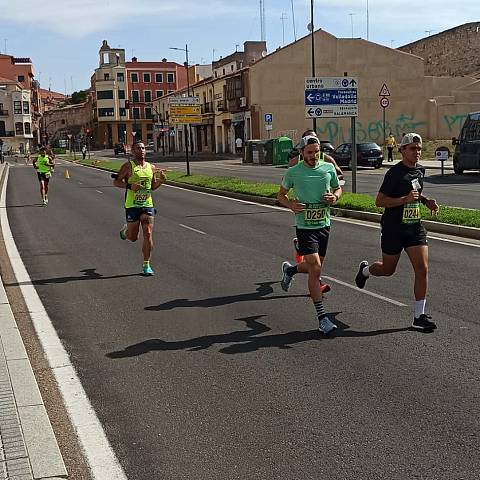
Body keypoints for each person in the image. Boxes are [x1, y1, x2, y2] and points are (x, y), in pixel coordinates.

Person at [354, 133, 439, 332]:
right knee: (387, 270)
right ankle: (365, 271)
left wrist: (426, 202)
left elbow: (416, 192)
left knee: (422, 268)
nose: (417, 152)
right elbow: (380, 201)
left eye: (419, 148)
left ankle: (419, 316)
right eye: (412, 149)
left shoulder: (420, 170)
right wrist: (404, 200)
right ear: (402, 150)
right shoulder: (394, 173)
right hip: (393, 228)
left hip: (414, 227)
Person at [278, 135, 342, 335]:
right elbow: (281, 195)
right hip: (305, 226)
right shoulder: (293, 172)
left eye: (316, 152)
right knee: (315, 268)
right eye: (310, 153)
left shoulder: (327, 168)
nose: (314, 156)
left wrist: (334, 197)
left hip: (324, 224)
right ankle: (323, 318)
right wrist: (291, 205)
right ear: (302, 153)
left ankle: (290, 271)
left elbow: (338, 189)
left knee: (315, 267)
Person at [113, 140, 166, 276]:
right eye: (138, 148)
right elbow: (116, 182)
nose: (141, 150)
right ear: (133, 151)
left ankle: (146, 265)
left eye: (143, 148)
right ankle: (126, 232)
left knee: (148, 233)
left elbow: (152, 187)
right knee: (133, 238)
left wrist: (160, 181)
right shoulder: (128, 166)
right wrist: (130, 186)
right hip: (132, 205)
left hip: (147, 204)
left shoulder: (151, 167)